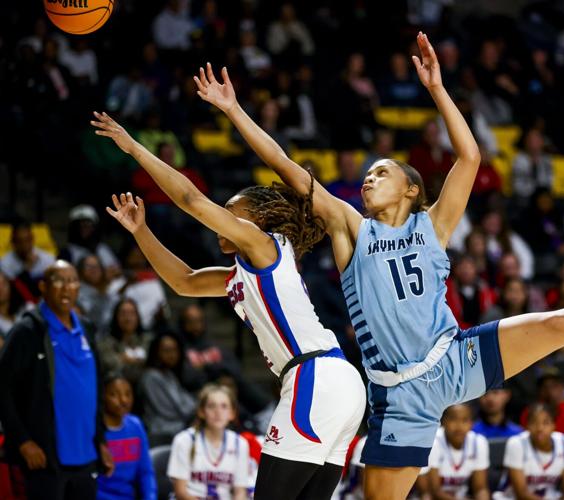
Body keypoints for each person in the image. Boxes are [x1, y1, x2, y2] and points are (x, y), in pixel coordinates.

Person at [194, 32, 564, 499]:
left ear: (412, 187)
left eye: (382, 172)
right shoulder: (350, 228)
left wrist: (438, 91)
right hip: (399, 396)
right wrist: (234, 110)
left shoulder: (434, 225)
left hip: (456, 357)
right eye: (368, 174)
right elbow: (285, 165)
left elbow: (469, 158)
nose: (370, 179)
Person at [91, 110, 366, 498]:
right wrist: (141, 231)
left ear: (257, 220)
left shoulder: (264, 244)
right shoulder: (246, 274)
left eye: (232, 211)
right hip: (338, 382)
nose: (224, 217)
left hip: (314, 377)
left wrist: (134, 148)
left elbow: (190, 199)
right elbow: (183, 282)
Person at [0, 260, 114, 500]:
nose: (66, 288)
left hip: (87, 455)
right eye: (58, 281)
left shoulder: (87, 328)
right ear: (42, 286)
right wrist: (23, 441)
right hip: (45, 457)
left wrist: (101, 440)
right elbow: (2, 388)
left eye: (72, 281)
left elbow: (94, 387)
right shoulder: (28, 331)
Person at [167, 384, 249, 500]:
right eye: (211, 406)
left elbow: (240, 493)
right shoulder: (184, 440)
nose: (218, 412)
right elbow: (181, 492)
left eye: (224, 406)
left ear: (232, 413)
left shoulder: (240, 444)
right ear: (201, 411)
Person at [498, 403, 564, 500]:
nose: (540, 428)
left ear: (554, 425)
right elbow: (522, 494)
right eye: (534, 422)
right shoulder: (516, 443)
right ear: (527, 426)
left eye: (546, 423)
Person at [97, 373, 157, 500]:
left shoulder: (135, 425)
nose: (123, 400)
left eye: (128, 394)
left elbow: (145, 472)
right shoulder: (94, 429)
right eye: (114, 394)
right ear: (102, 397)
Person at [139, 332, 196, 443]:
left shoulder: (169, 374)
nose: (172, 355)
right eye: (166, 350)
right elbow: (170, 412)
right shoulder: (150, 377)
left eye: (175, 350)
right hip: (162, 433)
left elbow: (187, 400)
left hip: (178, 428)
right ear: (156, 352)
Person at [426, 404, 490, 500]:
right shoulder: (433, 442)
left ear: (471, 423)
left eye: (465, 420)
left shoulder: (479, 442)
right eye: (453, 419)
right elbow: (434, 491)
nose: (459, 426)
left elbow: (480, 488)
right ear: (442, 421)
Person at [0, 221, 56, 299]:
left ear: (32, 239)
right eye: (19, 241)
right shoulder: (4, 263)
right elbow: (13, 291)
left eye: (27, 240)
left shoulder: (48, 259)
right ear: (13, 242)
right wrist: (27, 268)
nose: (24, 245)